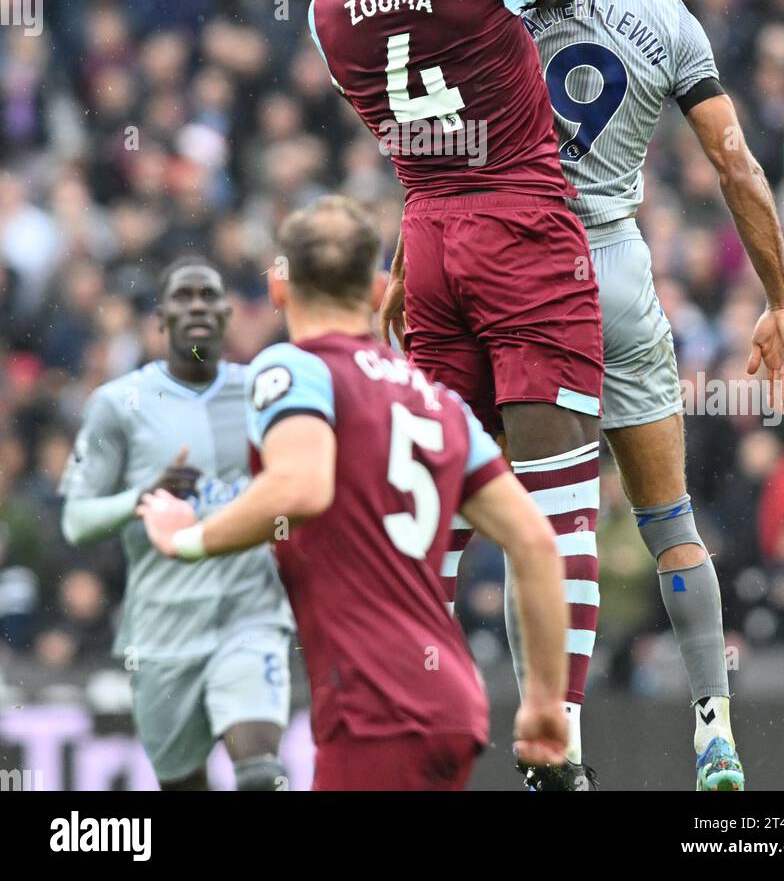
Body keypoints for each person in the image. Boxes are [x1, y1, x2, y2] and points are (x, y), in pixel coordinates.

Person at [308, 0, 604, 791]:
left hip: (425, 240)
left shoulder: (327, 12)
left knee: (440, 486)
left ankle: (403, 702)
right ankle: (554, 735)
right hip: (521, 226)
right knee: (558, 495)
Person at [508, 0, 784, 790]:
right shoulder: (670, 20)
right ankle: (714, 728)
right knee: (669, 517)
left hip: (518, 264)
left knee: (545, 526)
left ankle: (563, 740)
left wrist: (402, 272)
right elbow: (736, 165)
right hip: (619, 270)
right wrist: (781, 298)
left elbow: (442, 161)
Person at [138, 196, 571, 792]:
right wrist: (546, 700)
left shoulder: (292, 369)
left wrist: (187, 538)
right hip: (450, 701)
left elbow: (302, 486)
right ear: (375, 290)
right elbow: (536, 543)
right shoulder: (437, 401)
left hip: (377, 706)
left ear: (280, 287)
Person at [59, 257, 291, 792]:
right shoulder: (116, 404)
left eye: (208, 296)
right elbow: (75, 520)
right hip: (161, 633)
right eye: (183, 297)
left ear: (228, 312)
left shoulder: (264, 391)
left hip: (248, 615)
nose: (197, 307)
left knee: (260, 775)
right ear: (160, 317)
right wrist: (140, 497)